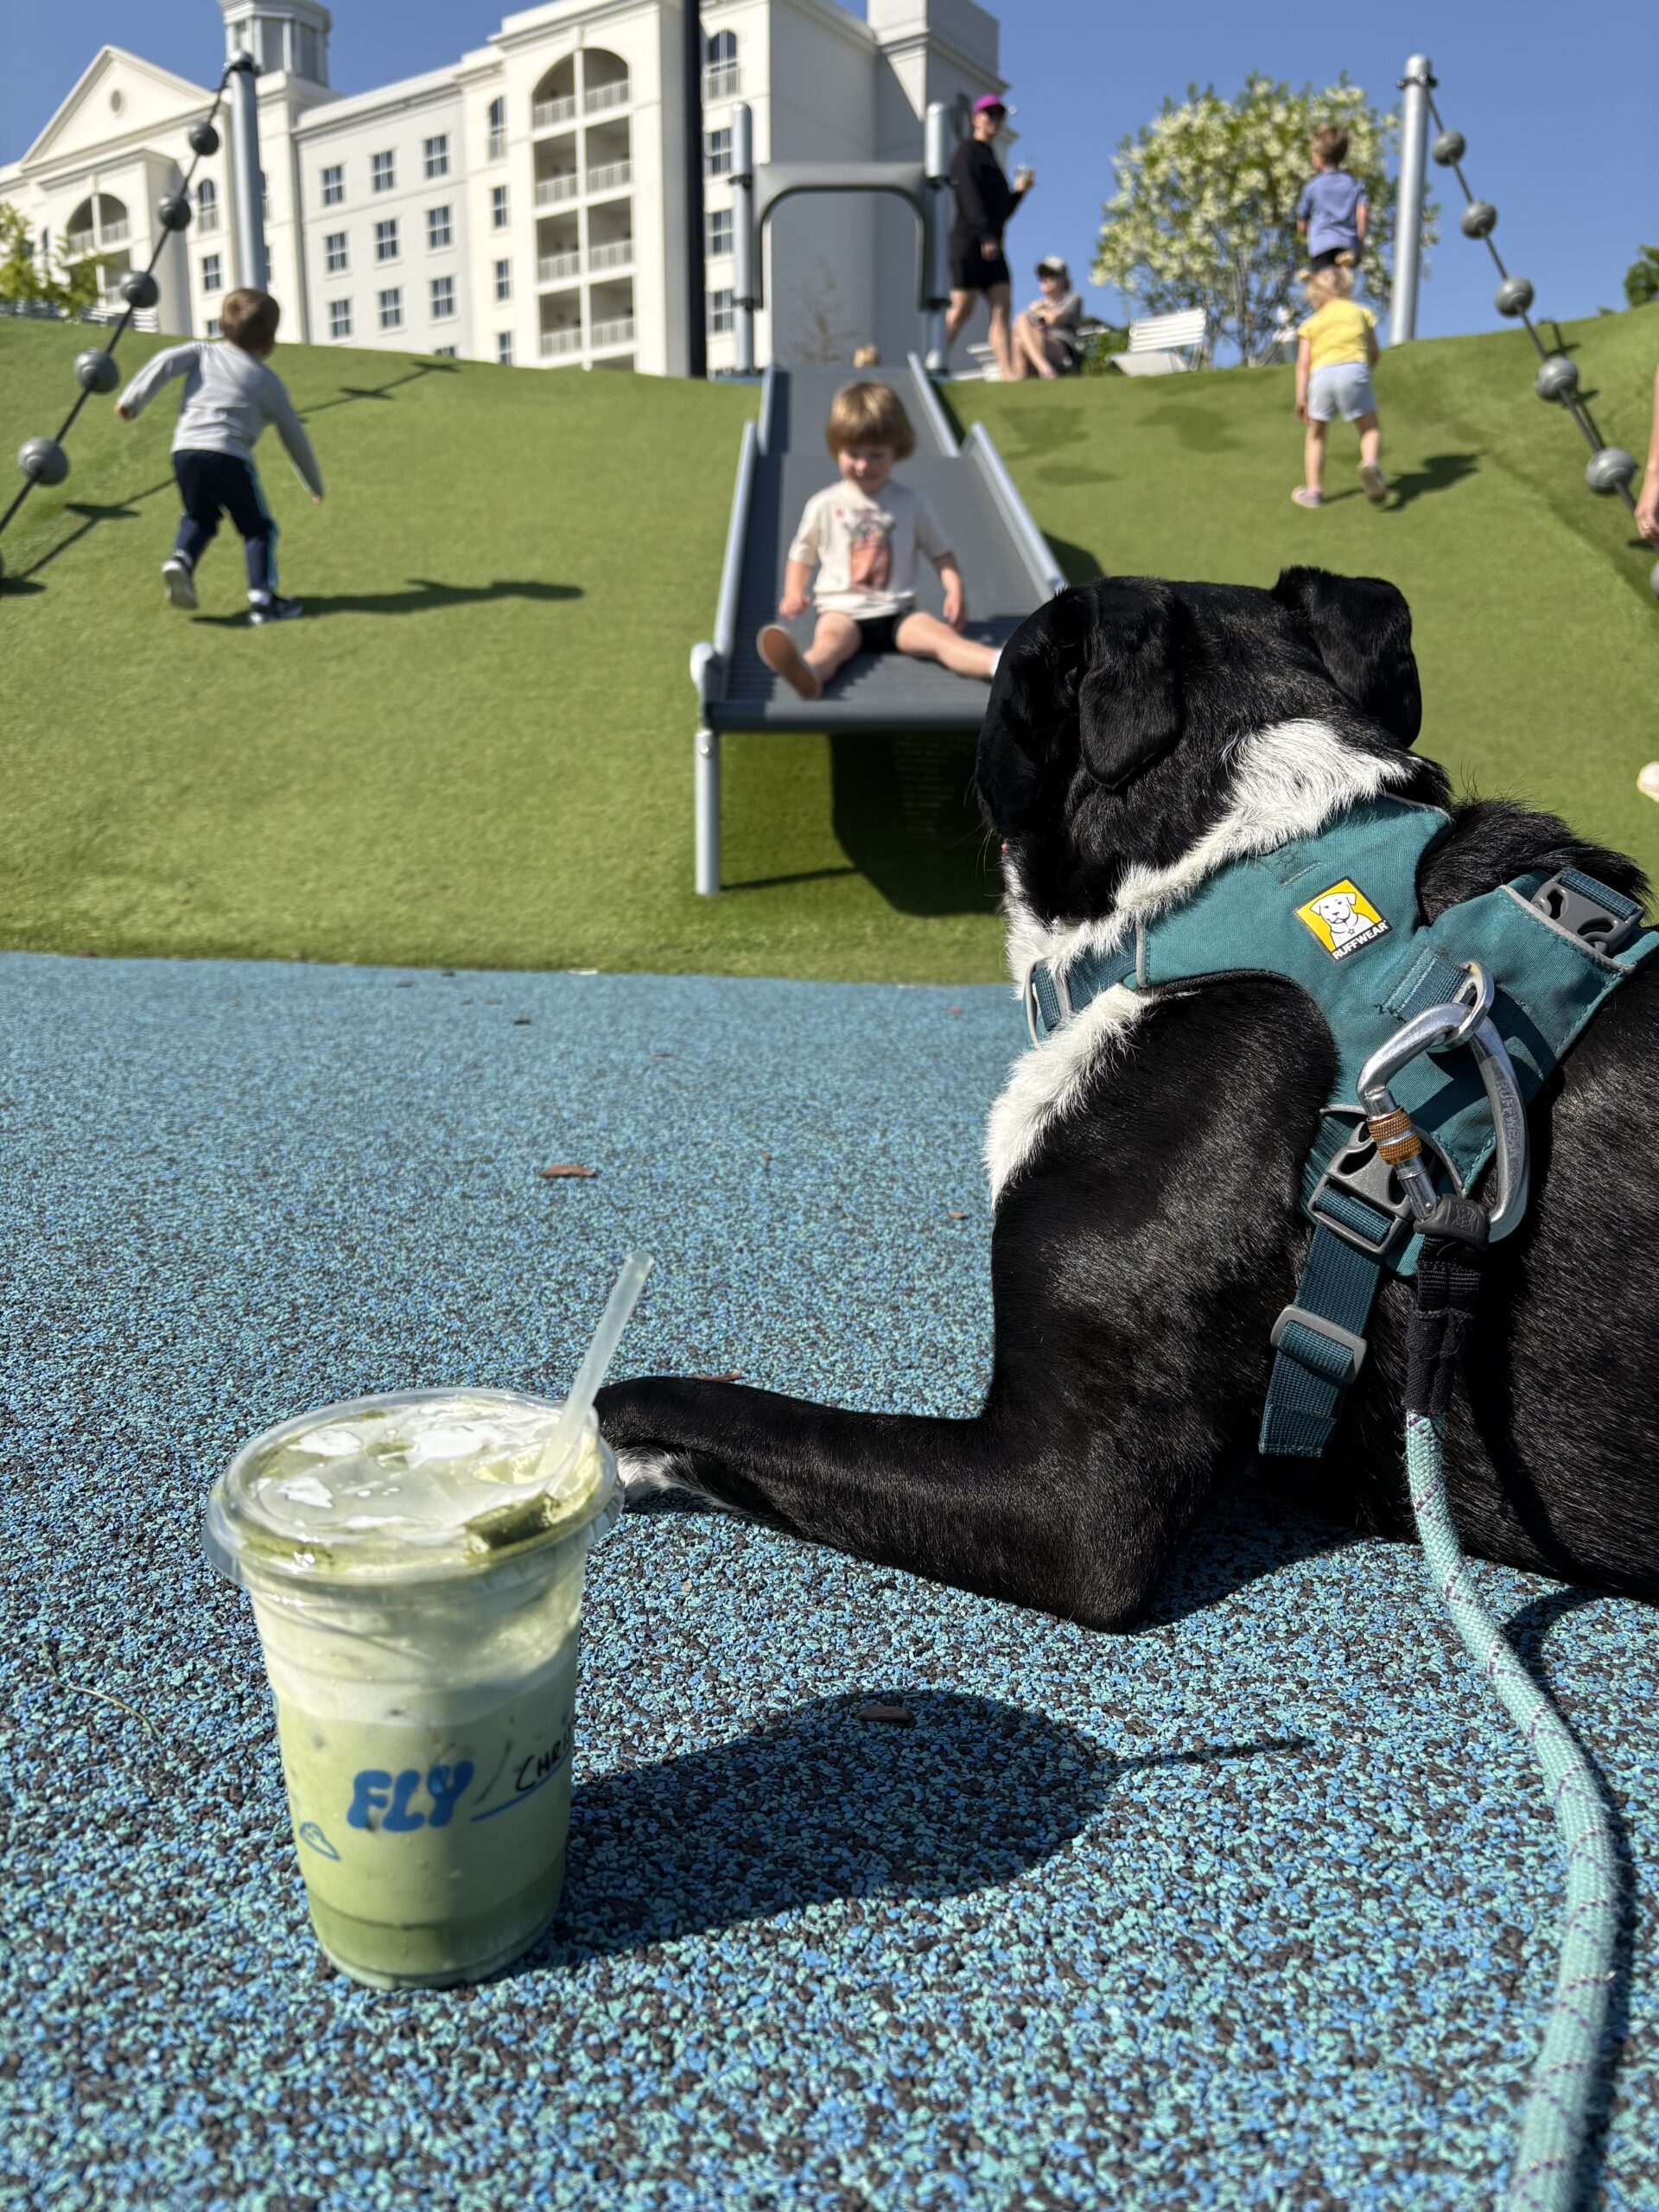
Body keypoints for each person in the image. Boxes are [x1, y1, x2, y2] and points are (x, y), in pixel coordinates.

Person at [756, 380, 999, 701]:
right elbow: (802, 553)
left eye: (875, 455)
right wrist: (793, 592)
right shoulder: (824, 504)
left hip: (897, 614)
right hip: (841, 611)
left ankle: (999, 663)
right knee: (830, 643)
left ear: (895, 450)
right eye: (852, 454)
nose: (862, 465)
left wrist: (955, 590)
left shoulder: (911, 504)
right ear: (835, 448)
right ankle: (809, 671)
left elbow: (941, 554)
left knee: (940, 638)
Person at [115, 286, 323, 625]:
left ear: (221, 328)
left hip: (185, 452)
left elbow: (165, 362)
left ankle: (181, 559)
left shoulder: (203, 352)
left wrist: (131, 401)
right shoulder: (268, 383)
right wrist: (313, 485)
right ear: (269, 345)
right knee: (257, 528)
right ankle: (262, 599)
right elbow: (293, 435)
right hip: (229, 457)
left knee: (199, 515)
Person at [945, 94, 1033, 383]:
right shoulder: (967, 152)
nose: (994, 119)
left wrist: (1019, 192)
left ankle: (1008, 375)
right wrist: (985, 234)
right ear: (975, 118)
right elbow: (968, 197)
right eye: (988, 114)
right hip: (969, 242)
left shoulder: (992, 158)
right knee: (962, 307)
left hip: (992, 243)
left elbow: (999, 212)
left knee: (1002, 304)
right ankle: (934, 361)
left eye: (999, 115)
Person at [1292, 264, 1387, 508]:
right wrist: (1367, 369)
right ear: (1346, 285)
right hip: (1354, 369)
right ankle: (1370, 464)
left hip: (1321, 375)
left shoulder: (1310, 323)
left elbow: (1303, 365)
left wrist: (1301, 398)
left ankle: (1313, 491)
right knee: (1369, 428)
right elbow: (1374, 352)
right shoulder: (1360, 311)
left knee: (1316, 434)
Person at [1295, 125, 1367, 275]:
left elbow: (1301, 222)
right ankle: (1343, 271)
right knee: (1343, 280)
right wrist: (1360, 243)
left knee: (1325, 282)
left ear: (1321, 156)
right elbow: (1362, 212)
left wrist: (1304, 233)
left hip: (1322, 244)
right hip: (1347, 243)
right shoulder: (1353, 184)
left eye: (1313, 153)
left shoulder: (1312, 187)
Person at [1010, 257, 1084, 379]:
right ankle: (1043, 370)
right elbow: (1017, 327)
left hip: (1062, 349)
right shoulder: (1034, 306)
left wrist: (1040, 311)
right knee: (1019, 335)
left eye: (1051, 275)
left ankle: (1043, 371)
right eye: (1042, 276)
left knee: (1022, 324)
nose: (1046, 279)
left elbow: (1055, 319)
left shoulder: (1072, 299)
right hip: (1038, 343)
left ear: (1063, 278)